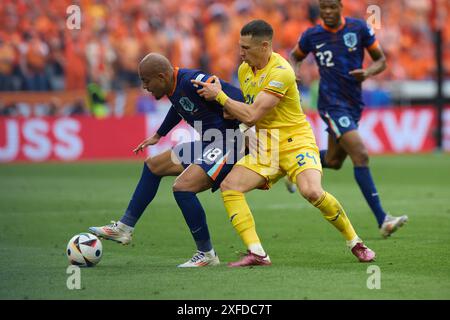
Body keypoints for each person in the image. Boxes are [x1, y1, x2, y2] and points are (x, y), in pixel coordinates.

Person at [192, 19, 375, 267]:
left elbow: (253, 114)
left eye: (246, 48)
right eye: (240, 46)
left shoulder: (282, 72)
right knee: (230, 186)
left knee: (311, 191)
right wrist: (238, 124)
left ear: (265, 46)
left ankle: (355, 242)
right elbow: (251, 114)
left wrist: (221, 97)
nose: (241, 53)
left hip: (296, 142)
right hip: (267, 146)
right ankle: (257, 253)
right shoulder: (245, 70)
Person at [89, 53, 246, 267]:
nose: (144, 87)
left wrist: (234, 110)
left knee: (183, 188)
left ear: (161, 77)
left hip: (229, 143)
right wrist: (158, 135)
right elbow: (178, 107)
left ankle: (207, 254)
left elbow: (239, 95)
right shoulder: (174, 86)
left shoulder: (194, 80)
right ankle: (124, 229)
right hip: (209, 143)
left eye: (146, 80)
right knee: (153, 165)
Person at [289, 0, 407, 238]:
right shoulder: (312, 35)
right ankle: (383, 219)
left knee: (333, 160)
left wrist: (368, 72)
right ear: (320, 10)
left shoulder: (359, 29)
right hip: (331, 104)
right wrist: (295, 71)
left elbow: (381, 60)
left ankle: (291, 163)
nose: (328, 12)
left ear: (341, 7)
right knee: (360, 153)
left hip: (353, 103)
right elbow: (295, 55)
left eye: (332, 7)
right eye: (324, 8)